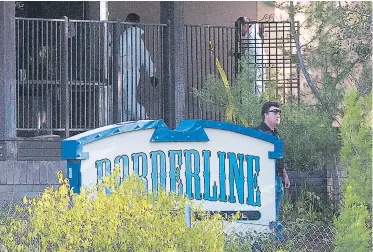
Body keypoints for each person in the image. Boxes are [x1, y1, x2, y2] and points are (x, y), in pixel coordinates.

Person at [120, 13, 158, 121]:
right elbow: (145, 56)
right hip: (131, 73)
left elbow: (119, 55)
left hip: (126, 73)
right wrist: (151, 74)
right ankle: (127, 124)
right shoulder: (137, 39)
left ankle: (143, 118)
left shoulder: (126, 37)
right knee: (125, 102)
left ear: (127, 20)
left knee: (127, 103)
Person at [256, 101, 290, 221]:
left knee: (275, 212)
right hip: (266, 180)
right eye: (274, 112)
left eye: (279, 112)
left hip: (278, 178)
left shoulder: (276, 135)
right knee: (266, 212)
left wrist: (285, 175)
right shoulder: (258, 133)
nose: (278, 114)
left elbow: (279, 157)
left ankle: (273, 236)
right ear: (266, 115)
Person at [236, 17, 266, 95]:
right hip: (257, 63)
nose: (239, 31)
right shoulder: (252, 33)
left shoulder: (250, 35)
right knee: (258, 85)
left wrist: (241, 55)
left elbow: (249, 51)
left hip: (256, 63)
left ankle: (258, 103)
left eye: (240, 28)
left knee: (257, 86)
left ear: (245, 26)